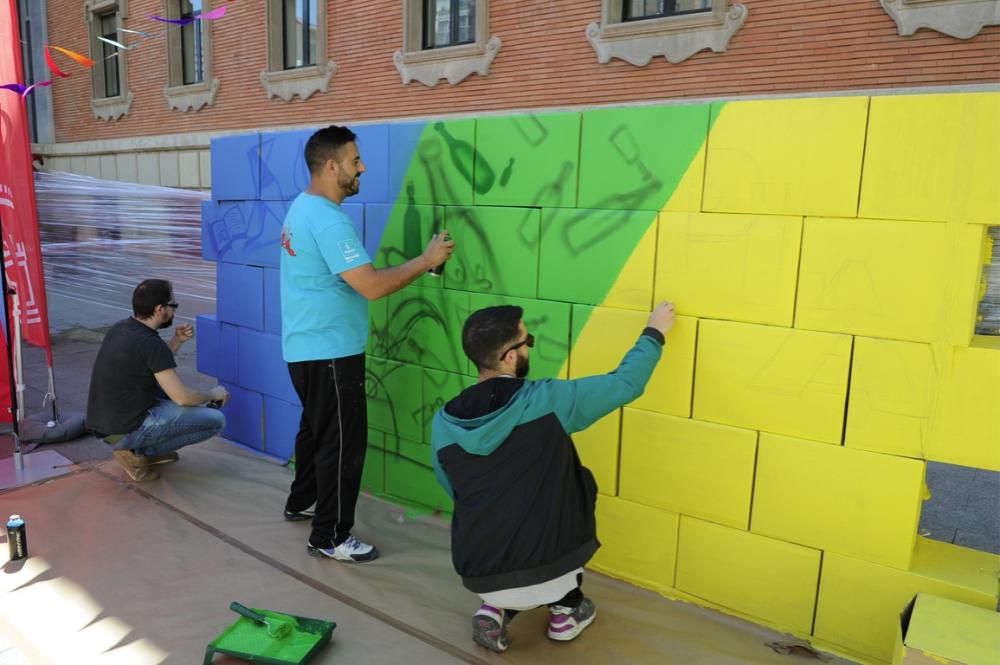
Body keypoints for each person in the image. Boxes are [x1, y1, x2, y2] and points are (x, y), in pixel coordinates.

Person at [430, 301, 676, 653]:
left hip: (480, 572)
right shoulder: (547, 400)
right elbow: (626, 383)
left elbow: (450, 486)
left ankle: (493, 609)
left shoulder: (444, 421)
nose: (530, 345)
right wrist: (655, 331)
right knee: (577, 482)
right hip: (552, 570)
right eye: (526, 340)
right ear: (510, 357)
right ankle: (566, 611)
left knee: (488, 505)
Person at [280, 125, 454, 563]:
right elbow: (371, 286)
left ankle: (301, 500)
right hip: (331, 353)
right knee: (341, 443)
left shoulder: (301, 208)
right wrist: (426, 261)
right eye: (356, 161)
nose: (363, 168)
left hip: (305, 349)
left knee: (316, 430)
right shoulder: (327, 218)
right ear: (332, 165)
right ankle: (330, 536)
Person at [87, 279, 230, 482]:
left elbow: (151, 365)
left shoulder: (122, 328)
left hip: (106, 428)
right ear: (159, 309)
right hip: (123, 431)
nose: (174, 311)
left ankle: (137, 449)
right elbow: (183, 397)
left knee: (167, 393)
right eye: (173, 306)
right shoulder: (149, 342)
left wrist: (176, 341)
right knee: (215, 421)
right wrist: (214, 394)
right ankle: (140, 453)